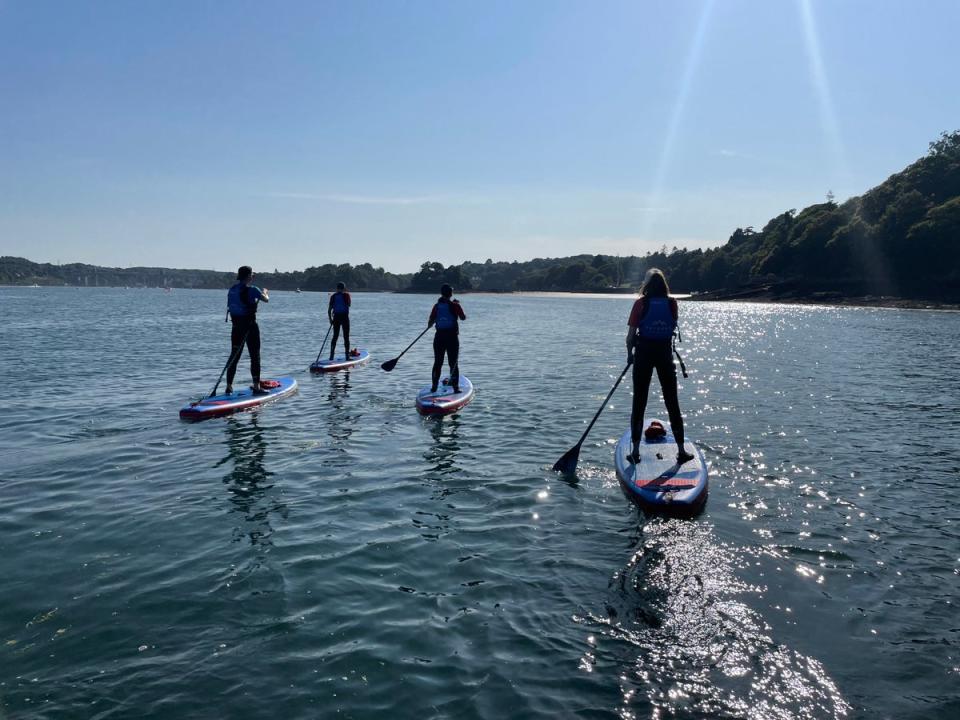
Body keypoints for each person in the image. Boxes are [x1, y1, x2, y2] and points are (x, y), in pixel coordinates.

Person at [626, 268, 694, 465]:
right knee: (672, 402)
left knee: (639, 403)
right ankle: (681, 451)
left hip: (644, 354)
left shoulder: (641, 303)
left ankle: (636, 452)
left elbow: (630, 337)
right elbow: (672, 325)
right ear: (664, 284)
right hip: (664, 354)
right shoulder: (672, 303)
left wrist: (629, 355)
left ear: (646, 284)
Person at [225, 265, 269, 394]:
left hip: (236, 327)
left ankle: (229, 386)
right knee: (255, 356)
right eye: (252, 275)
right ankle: (256, 387)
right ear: (249, 276)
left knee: (234, 355)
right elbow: (266, 300)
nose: (253, 277)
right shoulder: (253, 290)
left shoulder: (232, 289)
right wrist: (265, 292)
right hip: (250, 327)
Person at [428, 283, 466, 393]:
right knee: (453, 363)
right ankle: (455, 388)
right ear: (451, 294)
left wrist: (436, 319)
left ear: (441, 293)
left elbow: (429, 324)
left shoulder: (436, 306)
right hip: (452, 338)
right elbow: (463, 318)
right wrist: (457, 305)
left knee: (437, 362)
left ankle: (434, 387)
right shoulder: (455, 305)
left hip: (439, 337)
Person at [328, 281, 352, 360]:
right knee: (346, 337)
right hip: (344, 317)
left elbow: (329, 310)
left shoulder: (333, 296)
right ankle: (347, 356)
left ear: (337, 288)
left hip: (336, 318)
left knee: (335, 336)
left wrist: (330, 319)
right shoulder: (346, 295)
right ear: (344, 288)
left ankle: (331, 356)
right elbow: (349, 304)